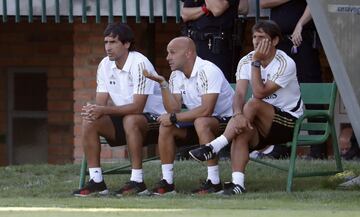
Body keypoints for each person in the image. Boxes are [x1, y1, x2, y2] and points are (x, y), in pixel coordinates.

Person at [189, 20, 304, 195]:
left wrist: (256, 62)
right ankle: (238, 185)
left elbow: (259, 93)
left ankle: (215, 146)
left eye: (262, 38)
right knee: (241, 128)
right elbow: (239, 95)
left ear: (274, 41)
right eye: (254, 37)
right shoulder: (245, 61)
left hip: (288, 122)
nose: (257, 42)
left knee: (253, 103)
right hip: (257, 121)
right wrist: (237, 114)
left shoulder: (285, 62)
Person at [72, 23, 166, 197]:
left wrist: (103, 109)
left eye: (113, 42)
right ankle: (97, 182)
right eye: (106, 42)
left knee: (131, 119)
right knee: (89, 119)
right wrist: (94, 110)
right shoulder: (104, 65)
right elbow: (101, 102)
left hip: (156, 122)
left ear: (127, 44)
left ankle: (138, 181)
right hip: (127, 121)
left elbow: (138, 107)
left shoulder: (140, 63)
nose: (108, 47)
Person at [143, 36, 234, 195]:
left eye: (172, 53)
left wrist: (172, 118)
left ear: (189, 53)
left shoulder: (208, 70)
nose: (167, 57)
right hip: (201, 122)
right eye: (167, 53)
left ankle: (214, 182)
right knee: (167, 127)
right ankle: (168, 183)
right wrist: (163, 84)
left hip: (229, 124)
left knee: (201, 121)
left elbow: (207, 110)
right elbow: (174, 109)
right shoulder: (176, 75)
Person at [260, 0, 326, 159]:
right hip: (280, 41)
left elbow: (316, 3)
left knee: (311, 90)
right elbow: (263, 3)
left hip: (301, 37)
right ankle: (282, 146)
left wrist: (301, 23)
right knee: (281, 93)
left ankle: (318, 148)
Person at [181, 0, 248, 82]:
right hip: (196, 42)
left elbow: (217, 9)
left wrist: (204, 9)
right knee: (194, 82)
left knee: (214, 82)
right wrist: (204, 9)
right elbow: (185, 14)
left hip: (218, 45)